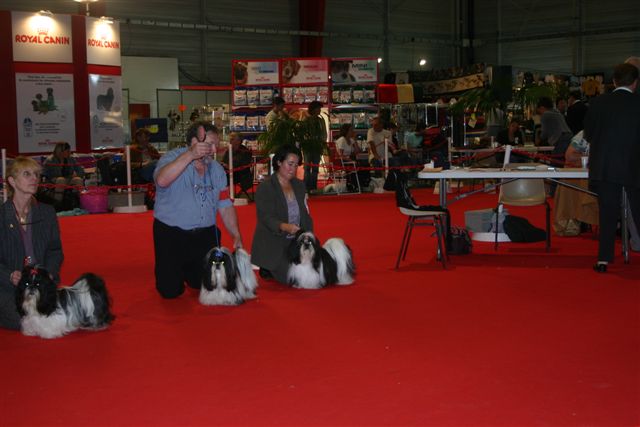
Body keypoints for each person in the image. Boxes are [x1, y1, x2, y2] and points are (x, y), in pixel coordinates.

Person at [152, 121, 244, 298]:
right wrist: (190, 155)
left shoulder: (217, 169)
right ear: (194, 142)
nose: (214, 150)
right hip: (171, 233)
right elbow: (162, 181)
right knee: (170, 291)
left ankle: (190, 270)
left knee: (203, 284)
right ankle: (177, 269)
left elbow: (225, 205)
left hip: (204, 234)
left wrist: (236, 234)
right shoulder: (171, 158)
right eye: (209, 144)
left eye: (216, 145)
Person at [583, 63, 640, 273]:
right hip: (634, 165)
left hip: (605, 165)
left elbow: (588, 134)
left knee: (607, 213)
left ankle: (603, 259)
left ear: (614, 81)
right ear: (635, 83)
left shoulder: (598, 103)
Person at [1, 157, 63, 330]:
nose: (34, 178)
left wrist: (49, 273)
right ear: (12, 181)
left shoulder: (47, 212)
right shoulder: (1, 216)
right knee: (22, 321)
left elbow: (55, 250)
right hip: (8, 287)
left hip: (41, 285)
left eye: (36, 174)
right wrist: (9, 275)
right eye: (27, 174)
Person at [251, 145, 313, 284]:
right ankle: (267, 265)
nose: (293, 169)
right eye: (290, 164)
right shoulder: (266, 187)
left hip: (296, 241)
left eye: (296, 165)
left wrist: (309, 237)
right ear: (279, 162)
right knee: (293, 277)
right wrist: (285, 227)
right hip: (275, 240)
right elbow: (266, 218)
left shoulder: (299, 185)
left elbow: (305, 214)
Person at [553, 131, 598, 236]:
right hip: (586, 175)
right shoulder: (584, 134)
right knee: (568, 181)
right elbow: (569, 155)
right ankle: (571, 218)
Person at [536, 96, 573, 163]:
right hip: (569, 137)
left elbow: (544, 133)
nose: (540, 114)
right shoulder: (558, 113)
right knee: (564, 161)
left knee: (556, 162)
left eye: (539, 112)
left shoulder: (545, 115)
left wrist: (539, 139)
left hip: (561, 139)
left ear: (542, 108)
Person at [302, 101, 327, 193]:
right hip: (308, 147)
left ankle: (313, 187)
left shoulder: (320, 120)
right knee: (307, 168)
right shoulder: (306, 120)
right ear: (313, 109)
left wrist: (322, 143)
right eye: (318, 108)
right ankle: (306, 188)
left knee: (315, 168)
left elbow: (324, 133)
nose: (320, 110)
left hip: (317, 147)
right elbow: (303, 134)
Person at [221, 132, 253, 197]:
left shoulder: (245, 151)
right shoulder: (229, 150)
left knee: (222, 178)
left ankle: (225, 196)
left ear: (239, 141)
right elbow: (223, 161)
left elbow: (242, 166)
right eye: (230, 139)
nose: (230, 140)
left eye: (232, 139)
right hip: (229, 172)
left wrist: (228, 166)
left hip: (241, 175)